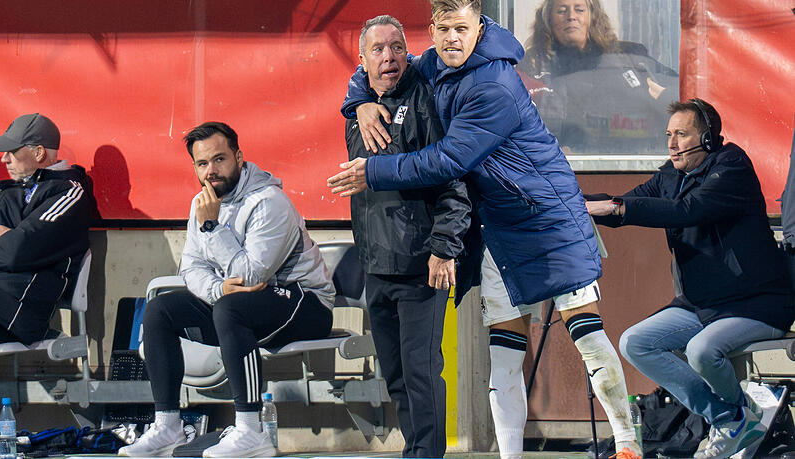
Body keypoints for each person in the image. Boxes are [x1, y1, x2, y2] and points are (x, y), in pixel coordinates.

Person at [327, 1, 640, 458]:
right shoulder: (433, 62)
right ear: (433, 31)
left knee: (587, 337)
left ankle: (629, 445)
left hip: (547, 220)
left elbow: (450, 160)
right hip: (495, 225)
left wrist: (374, 171)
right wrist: (360, 104)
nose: (452, 38)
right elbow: (385, 68)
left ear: (480, 29)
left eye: (462, 28)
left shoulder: (494, 83)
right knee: (505, 352)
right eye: (444, 29)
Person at [587, 99, 795, 459]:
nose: (672, 143)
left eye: (682, 134)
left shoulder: (732, 166)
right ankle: (731, 418)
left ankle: (737, 420)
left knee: (702, 350)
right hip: (703, 305)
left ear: (709, 138)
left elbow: (687, 209)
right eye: (669, 134)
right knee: (635, 342)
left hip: (757, 302)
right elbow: (626, 202)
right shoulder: (671, 174)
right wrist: (570, 202)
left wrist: (616, 207)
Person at [118, 122, 336, 458]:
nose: (211, 171)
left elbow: (251, 276)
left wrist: (211, 226)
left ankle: (251, 431)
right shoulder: (202, 203)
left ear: (239, 156)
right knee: (161, 310)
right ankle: (168, 426)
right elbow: (190, 268)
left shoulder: (268, 201)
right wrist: (218, 287)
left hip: (304, 304)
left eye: (219, 160)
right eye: (202, 164)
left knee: (230, 309)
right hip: (241, 305)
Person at [346, 15, 471, 458]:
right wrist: (356, 103)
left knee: (421, 370)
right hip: (375, 264)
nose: (389, 57)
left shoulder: (426, 98)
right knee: (395, 374)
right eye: (378, 50)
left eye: (397, 47)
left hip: (422, 264)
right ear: (362, 61)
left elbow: (453, 180)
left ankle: (426, 455)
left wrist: (443, 247)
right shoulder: (358, 111)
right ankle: (414, 451)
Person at [0, 113, 95, 350]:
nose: (4, 159)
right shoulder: (2, 191)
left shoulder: (69, 193)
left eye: (12, 151)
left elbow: (18, 250)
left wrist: (7, 242)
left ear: (39, 153)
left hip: (17, 314)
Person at [520, 0, 679, 153]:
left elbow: (677, 91)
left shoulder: (629, 57)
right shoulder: (534, 64)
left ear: (593, 17)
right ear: (548, 20)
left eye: (580, 10)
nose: (571, 16)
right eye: (562, 11)